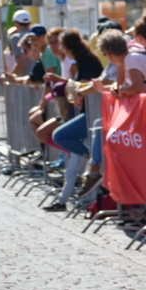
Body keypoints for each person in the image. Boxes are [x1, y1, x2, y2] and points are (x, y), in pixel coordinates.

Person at [44, 30, 107, 211]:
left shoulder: (86, 60)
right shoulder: (82, 59)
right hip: (87, 112)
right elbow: (80, 86)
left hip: (93, 114)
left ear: (67, 47)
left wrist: (75, 89)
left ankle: (93, 163)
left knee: (61, 136)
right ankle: (92, 162)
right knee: (62, 138)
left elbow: (88, 84)